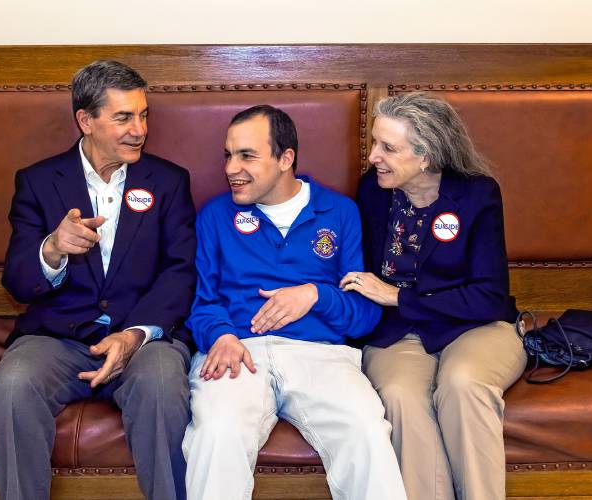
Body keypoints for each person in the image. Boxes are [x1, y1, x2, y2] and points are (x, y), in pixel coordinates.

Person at [0, 60, 196, 500]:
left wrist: (135, 335)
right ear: (86, 120)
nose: (139, 129)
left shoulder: (170, 181)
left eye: (143, 115)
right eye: (123, 117)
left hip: (143, 339)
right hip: (57, 338)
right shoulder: (38, 182)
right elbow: (18, 283)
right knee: (9, 387)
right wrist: (53, 248)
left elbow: (180, 271)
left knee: (161, 385)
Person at [182, 105, 407, 500]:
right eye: (228, 155)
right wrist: (220, 337)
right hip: (238, 352)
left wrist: (315, 295)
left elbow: (363, 317)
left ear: (286, 158)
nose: (231, 168)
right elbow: (202, 303)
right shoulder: (215, 216)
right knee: (217, 433)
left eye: (247, 155)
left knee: (367, 430)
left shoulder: (339, 212)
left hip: (320, 355)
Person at [340, 92, 527, 500]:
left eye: (388, 148)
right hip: (398, 334)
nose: (374, 156)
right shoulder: (372, 191)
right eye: (375, 143)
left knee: (462, 384)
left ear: (426, 156)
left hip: (475, 328)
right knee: (400, 396)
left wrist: (398, 298)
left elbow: (490, 296)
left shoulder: (477, 195)